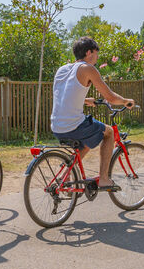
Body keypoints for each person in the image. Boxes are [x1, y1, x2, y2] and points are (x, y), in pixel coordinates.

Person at [50, 36, 135, 189]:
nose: (97, 57)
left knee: (90, 139)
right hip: (73, 126)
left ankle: (65, 176)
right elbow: (109, 97)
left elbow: (63, 95)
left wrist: (84, 100)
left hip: (56, 126)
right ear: (89, 52)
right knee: (108, 133)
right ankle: (103, 179)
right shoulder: (87, 69)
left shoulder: (62, 69)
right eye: (96, 53)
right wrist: (125, 101)